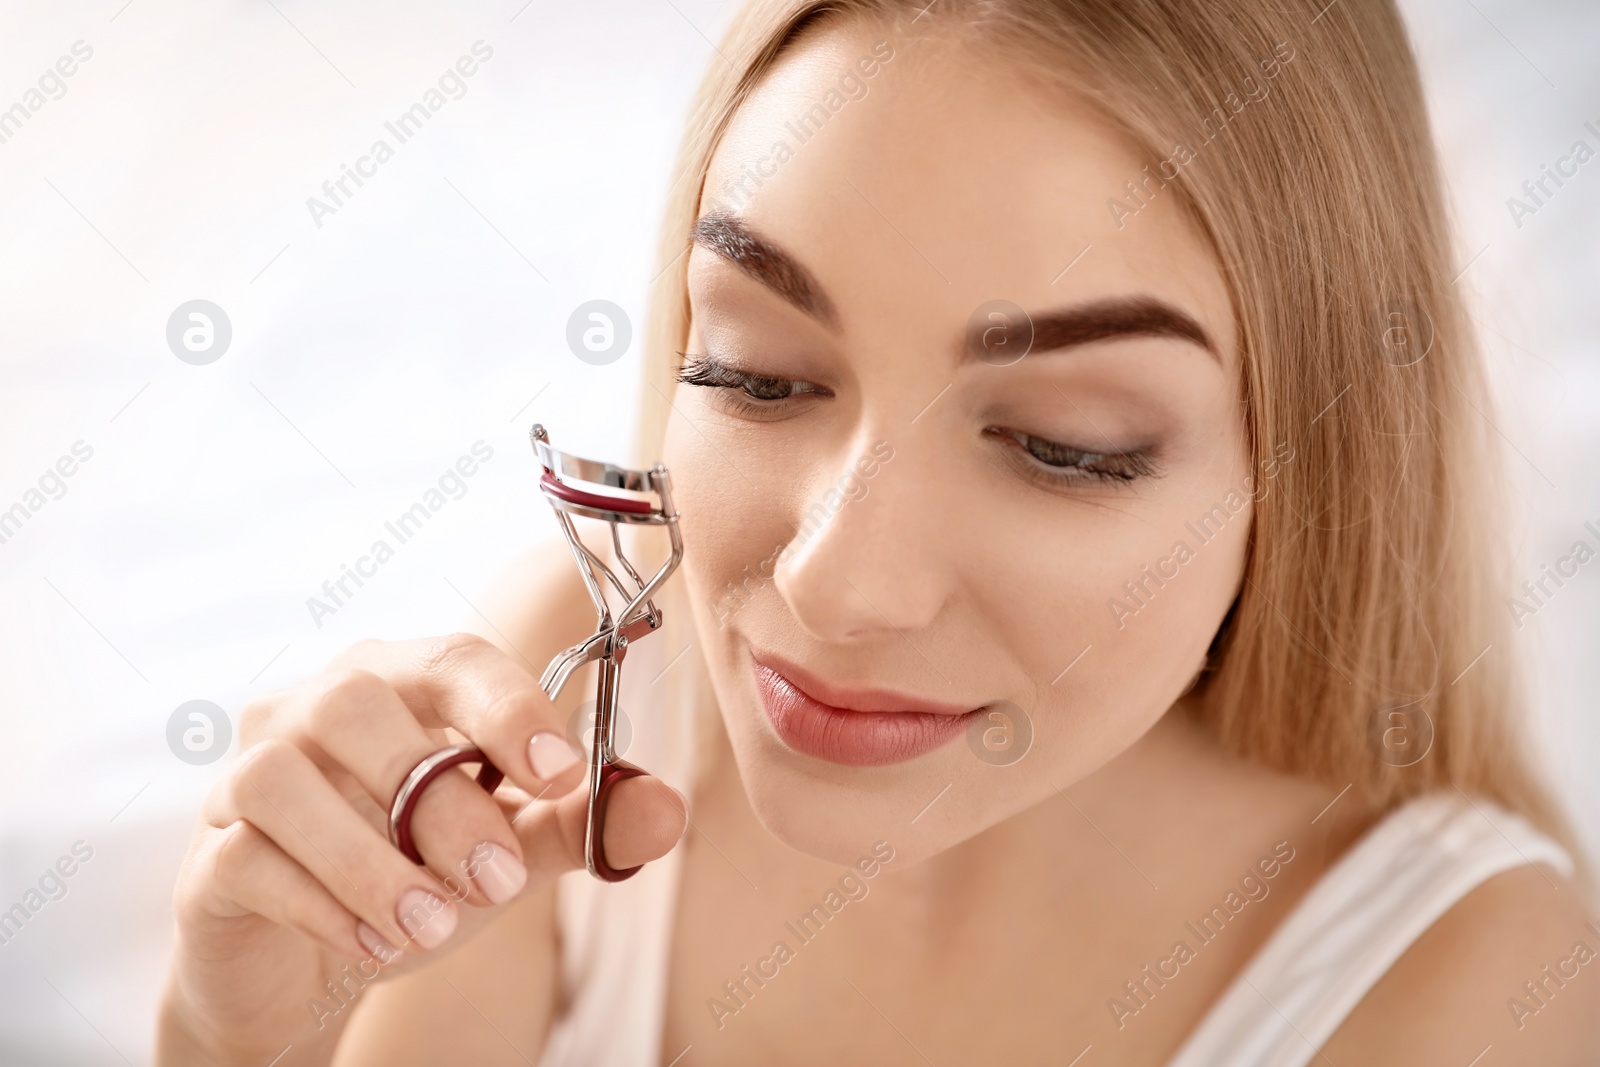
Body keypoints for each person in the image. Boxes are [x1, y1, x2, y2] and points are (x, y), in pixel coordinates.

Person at [156, 1, 1600, 1063]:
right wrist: (245, 1048)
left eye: (1063, 446)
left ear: (1307, 459)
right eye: (754, 371)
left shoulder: (1472, 987)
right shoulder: (582, 708)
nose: (832, 582)